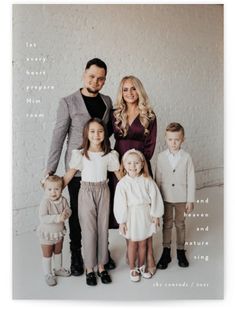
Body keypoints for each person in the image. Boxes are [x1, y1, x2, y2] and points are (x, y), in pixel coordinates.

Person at [45, 58, 116, 276]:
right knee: (76, 215)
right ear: (84, 74)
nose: (96, 81)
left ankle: (102, 254)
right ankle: (77, 254)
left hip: (99, 167)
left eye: (101, 78)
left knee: (100, 214)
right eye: (92, 76)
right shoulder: (68, 102)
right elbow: (58, 137)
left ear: (104, 80)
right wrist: (50, 170)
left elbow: (107, 131)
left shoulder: (107, 101)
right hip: (76, 169)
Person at [109, 75, 157, 275]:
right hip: (120, 169)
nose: (130, 93)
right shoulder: (115, 114)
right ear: (121, 92)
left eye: (133, 89)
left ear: (140, 91)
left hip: (140, 167)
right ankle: (133, 254)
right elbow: (104, 139)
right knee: (128, 210)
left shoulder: (149, 115)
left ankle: (149, 255)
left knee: (144, 210)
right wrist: (115, 167)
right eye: (125, 89)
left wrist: (139, 169)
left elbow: (150, 145)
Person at [63, 118, 120, 286]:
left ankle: (101, 266)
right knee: (89, 230)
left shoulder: (109, 155)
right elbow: (68, 176)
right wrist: (54, 187)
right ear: (86, 133)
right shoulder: (80, 154)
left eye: (100, 131)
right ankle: (89, 268)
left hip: (103, 191)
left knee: (103, 229)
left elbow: (121, 177)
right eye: (93, 131)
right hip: (86, 192)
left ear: (105, 133)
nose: (96, 134)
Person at [114, 149, 164, 282]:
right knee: (132, 244)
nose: (133, 166)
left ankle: (142, 266)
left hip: (144, 215)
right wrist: (122, 221)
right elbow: (119, 203)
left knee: (143, 243)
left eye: (136, 163)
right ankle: (132, 268)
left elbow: (155, 197)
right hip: (131, 216)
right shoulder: (123, 184)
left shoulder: (147, 181)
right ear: (124, 165)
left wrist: (155, 214)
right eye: (129, 163)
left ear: (142, 164)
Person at [155, 122, 195, 269]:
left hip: (181, 198)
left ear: (182, 139)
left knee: (180, 224)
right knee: (167, 224)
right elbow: (158, 179)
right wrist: (157, 199)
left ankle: (180, 250)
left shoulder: (186, 157)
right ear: (165, 139)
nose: (173, 143)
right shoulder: (160, 157)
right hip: (165, 197)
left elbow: (191, 179)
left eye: (177, 139)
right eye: (170, 139)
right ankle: (166, 251)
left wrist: (190, 200)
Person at [37, 175, 72, 286]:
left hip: (58, 232)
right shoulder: (45, 202)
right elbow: (43, 217)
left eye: (57, 189)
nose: (53, 192)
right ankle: (47, 273)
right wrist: (57, 218)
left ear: (61, 189)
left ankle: (58, 269)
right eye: (50, 189)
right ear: (45, 189)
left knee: (58, 251)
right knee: (47, 253)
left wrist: (67, 213)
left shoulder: (63, 200)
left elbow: (68, 209)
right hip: (47, 234)